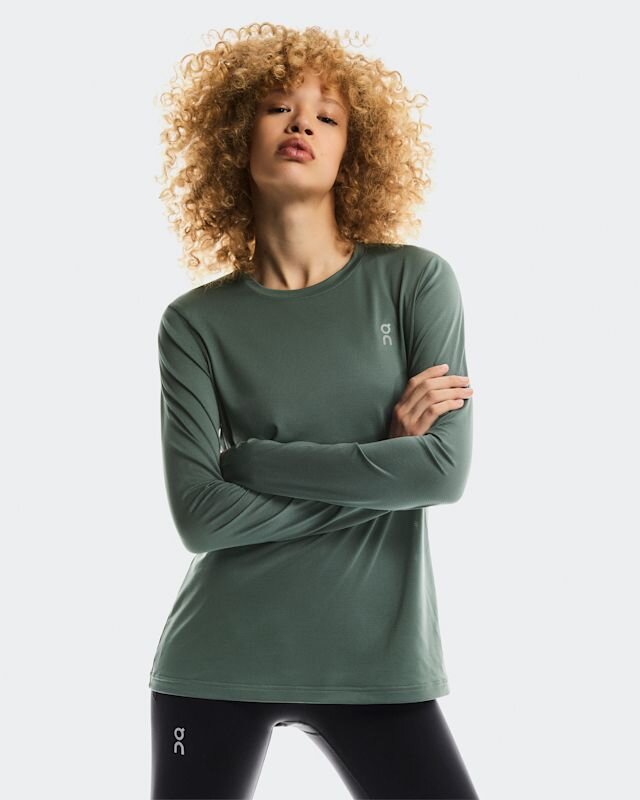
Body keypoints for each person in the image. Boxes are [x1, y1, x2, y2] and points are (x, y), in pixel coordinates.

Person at [149, 21, 479, 800]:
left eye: (327, 116)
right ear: (235, 138)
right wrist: (384, 465)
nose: (302, 124)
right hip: (215, 662)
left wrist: (257, 462)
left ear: (351, 153)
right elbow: (200, 518)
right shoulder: (193, 323)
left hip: (378, 669)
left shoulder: (415, 283)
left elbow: (441, 471)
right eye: (278, 108)